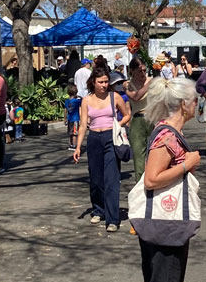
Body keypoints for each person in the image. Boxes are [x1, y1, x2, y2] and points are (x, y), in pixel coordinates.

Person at [137, 77, 201, 282]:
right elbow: (151, 179)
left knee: (158, 280)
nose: (199, 104)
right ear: (184, 105)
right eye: (196, 99)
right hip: (167, 221)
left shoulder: (168, 133)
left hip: (163, 220)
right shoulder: (167, 137)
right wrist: (188, 164)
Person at [73, 66, 131, 232]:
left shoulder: (115, 97)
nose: (104, 85)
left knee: (111, 179)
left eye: (106, 82)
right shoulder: (86, 100)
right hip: (94, 140)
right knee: (96, 179)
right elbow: (83, 125)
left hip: (110, 139)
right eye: (101, 82)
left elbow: (127, 115)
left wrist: (117, 125)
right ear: (93, 82)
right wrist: (78, 147)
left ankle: (113, 219)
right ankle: (99, 209)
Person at [125, 58, 153, 183]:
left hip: (153, 118)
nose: (143, 74)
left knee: (155, 154)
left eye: (144, 70)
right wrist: (149, 85)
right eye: (139, 71)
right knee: (139, 157)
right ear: (132, 71)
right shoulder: (128, 85)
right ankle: (140, 185)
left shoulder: (152, 81)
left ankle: (155, 182)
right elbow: (135, 97)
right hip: (137, 119)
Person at [64, 84, 82, 151]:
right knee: (75, 133)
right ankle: (74, 145)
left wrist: (65, 119)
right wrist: (79, 96)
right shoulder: (77, 101)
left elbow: (65, 110)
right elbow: (83, 100)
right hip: (75, 119)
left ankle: (70, 144)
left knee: (70, 132)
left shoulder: (67, 101)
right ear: (76, 93)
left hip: (69, 119)